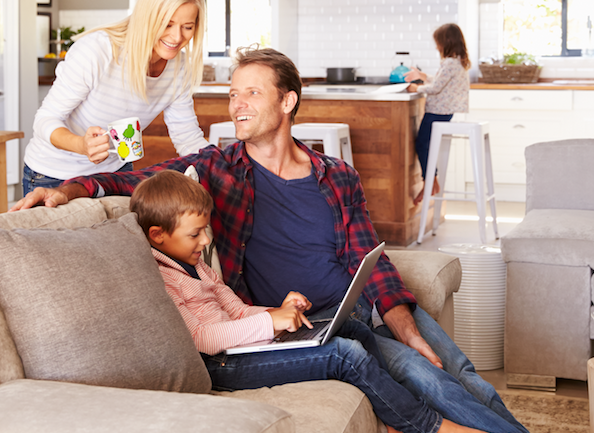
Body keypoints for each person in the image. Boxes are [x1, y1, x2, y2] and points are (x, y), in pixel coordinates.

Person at [11, 47, 528, 433]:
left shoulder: (336, 175)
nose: (235, 104)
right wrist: (73, 187)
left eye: (250, 93)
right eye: (233, 93)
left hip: (362, 308)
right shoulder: (218, 169)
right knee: (426, 376)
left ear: (288, 101)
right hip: (311, 322)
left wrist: (407, 328)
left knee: (457, 365)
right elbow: (142, 182)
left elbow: (372, 261)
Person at [130, 169, 481, 433]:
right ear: (157, 236)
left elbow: (235, 310)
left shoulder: (197, 265)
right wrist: (270, 323)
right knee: (345, 355)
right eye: (195, 234)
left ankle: (390, 419)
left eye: (207, 229)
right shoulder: (162, 278)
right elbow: (202, 339)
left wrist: (278, 312)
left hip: (243, 347)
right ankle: (427, 426)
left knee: (353, 328)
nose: (205, 240)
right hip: (221, 365)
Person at [21, 0, 211, 196]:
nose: (177, 37)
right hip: (54, 175)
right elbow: (45, 120)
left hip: (114, 175)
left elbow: (187, 136)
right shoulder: (98, 51)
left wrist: (221, 165)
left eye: (187, 27)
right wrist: (81, 145)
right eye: (167, 24)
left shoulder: (179, 67)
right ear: (147, 17)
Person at [404, 23, 472, 205]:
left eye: (438, 43)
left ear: (446, 42)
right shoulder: (457, 61)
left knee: (422, 145)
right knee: (425, 145)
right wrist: (422, 75)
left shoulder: (449, 63)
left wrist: (416, 87)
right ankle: (431, 182)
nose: (436, 47)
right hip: (444, 112)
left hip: (437, 111)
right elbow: (441, 81)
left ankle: (430, 182)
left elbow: (435, 88)